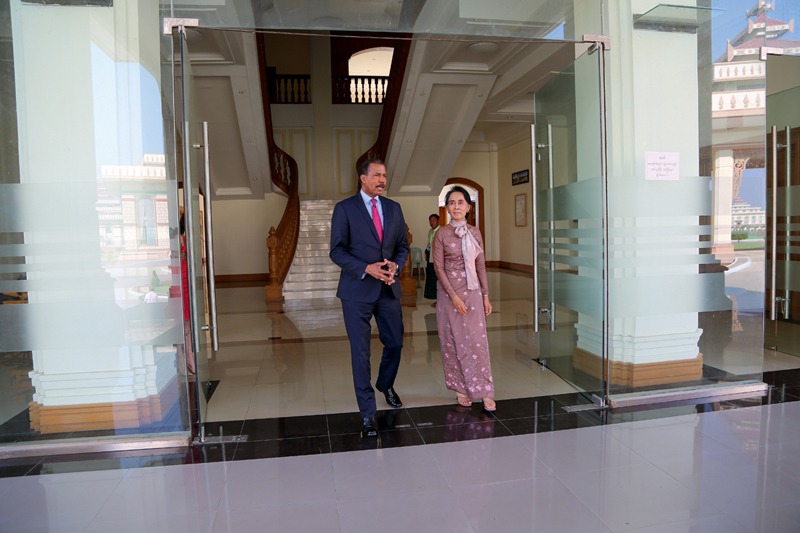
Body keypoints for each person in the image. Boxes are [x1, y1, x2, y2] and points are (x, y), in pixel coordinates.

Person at [329, 158, 410, 437]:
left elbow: (402, 246)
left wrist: (396, 265)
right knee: (361, 352)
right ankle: (367, 413)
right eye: (376, 175)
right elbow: (336, 251)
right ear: (362, 178)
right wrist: (366, 268)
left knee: (396, 343)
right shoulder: (345, 209)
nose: (382, 180)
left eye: (384, 175)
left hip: (388, 288)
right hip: (356, 291)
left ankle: (385, 384)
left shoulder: (393, 208)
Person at [432, 186, 496, 412]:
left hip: (473, 292)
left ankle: (485, 390)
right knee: (453, 340)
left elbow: (480, 264)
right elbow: (439, 269)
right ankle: (460, 388)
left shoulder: (475, 232)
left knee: (478, 341)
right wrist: (454, 297)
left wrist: (486, 296)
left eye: (460, 202)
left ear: (468, 207)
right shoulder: (441, 233)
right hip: (449, 294)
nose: (456, 206)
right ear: (447, 207)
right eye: (452, 202)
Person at [423, 213, 440, 301]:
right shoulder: (430, 231)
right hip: (430, 256)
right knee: (431, 277)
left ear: (438, 221)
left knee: (437, 278)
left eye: (434, 220)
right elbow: (429, 243)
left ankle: (439, 299)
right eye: (430, 220)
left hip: (437, 258)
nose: (431, 222)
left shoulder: (441, 231)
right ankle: (434, 297)